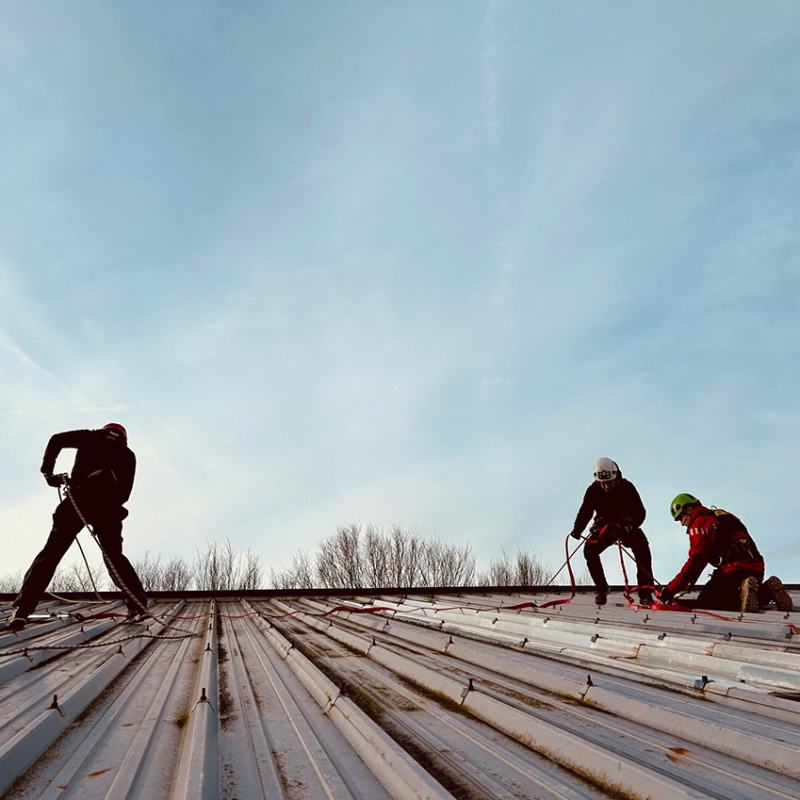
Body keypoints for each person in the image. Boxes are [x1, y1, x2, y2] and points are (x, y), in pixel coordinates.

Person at [7, 424, 148, 632]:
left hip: (78, 500)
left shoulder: (89, 437)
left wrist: (48, 472)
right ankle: (137, 606)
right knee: (114, 557)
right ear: (124, 437)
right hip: (108, 509)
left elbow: (56, 439)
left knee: (51, 553)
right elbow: (125, 493)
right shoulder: (128, 455)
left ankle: (22, 610)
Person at [659, 493, 793, 614]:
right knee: (746, 595)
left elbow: (696, 562)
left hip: (734, 570)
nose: (682, 523)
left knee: (706, 601)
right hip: (756, 568)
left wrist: (670, 589)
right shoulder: (725, 516)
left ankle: (742, 594)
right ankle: (766, 590)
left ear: (689, 509)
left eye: (681, 518)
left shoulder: (699, 523)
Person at [570, 457, 655, 606]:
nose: (607, 486)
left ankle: (646, 593)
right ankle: (602, 588)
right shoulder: (593, 491)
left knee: (642, 548)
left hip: (626, 527)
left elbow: (640, 512)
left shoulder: (627, 488)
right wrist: (578, 529)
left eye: (609, 482)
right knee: (590, 550)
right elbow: (585, 512)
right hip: (605, 528)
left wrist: (629, 527)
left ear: (616, 477)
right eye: (603, 483)